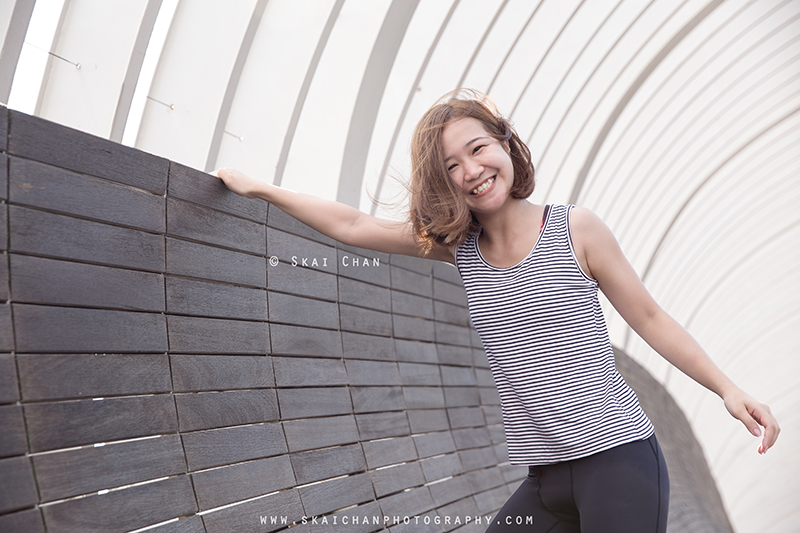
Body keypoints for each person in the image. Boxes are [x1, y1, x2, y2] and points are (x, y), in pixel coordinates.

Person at [214, 90, 779, 532]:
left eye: (478, 148)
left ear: (506, 145)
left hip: (619, 461)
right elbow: (357, 226)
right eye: (451, 165)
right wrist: (262, 189)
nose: (471, 170)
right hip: (547, 479)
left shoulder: (574, 229)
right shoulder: (458, 249)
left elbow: (650, 318)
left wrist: (726, 389)